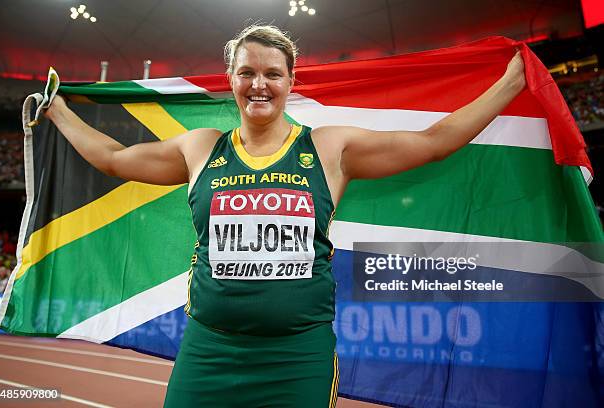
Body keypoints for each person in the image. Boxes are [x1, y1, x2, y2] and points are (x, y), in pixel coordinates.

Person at [44, 25, 526, 408]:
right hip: (209, 351)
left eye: (273, 73)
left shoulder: (328, 148)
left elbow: (435, 142)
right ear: (231, 79)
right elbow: (112, 157)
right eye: (247, 72)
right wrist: (58, 111)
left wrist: (510, 84)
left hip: (296, 357)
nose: (259, 84)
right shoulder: (199, 149)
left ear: (291, 83)